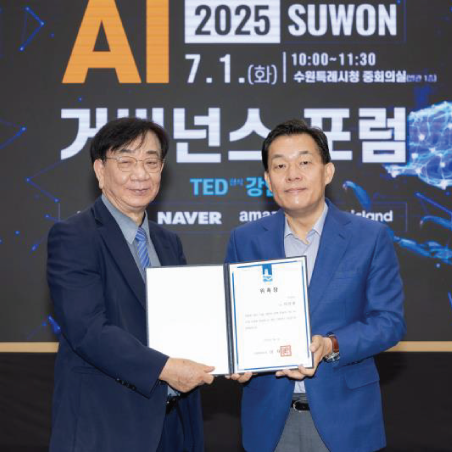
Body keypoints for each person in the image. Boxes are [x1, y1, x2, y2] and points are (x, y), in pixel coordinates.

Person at [225, 119, 406, 452]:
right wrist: (234, 358)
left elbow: (389, 322)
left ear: (328, 172)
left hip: (346, 419)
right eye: (280, 165)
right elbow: (231, 321)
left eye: (305, 162)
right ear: (267, 179)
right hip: (270, 421)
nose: (292, 174)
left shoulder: (369, 237)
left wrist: (331, 345)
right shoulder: (245, 240)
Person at [47, 117, 214, 452]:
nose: (141, 174)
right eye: (126, 161)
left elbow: (186, 324)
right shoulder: (74, 236)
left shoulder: (168, 242)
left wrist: (231, 358)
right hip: (107, 426)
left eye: (151, 162)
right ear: (100, 170)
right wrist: (164, 368)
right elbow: (87, 330)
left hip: (174, 424)